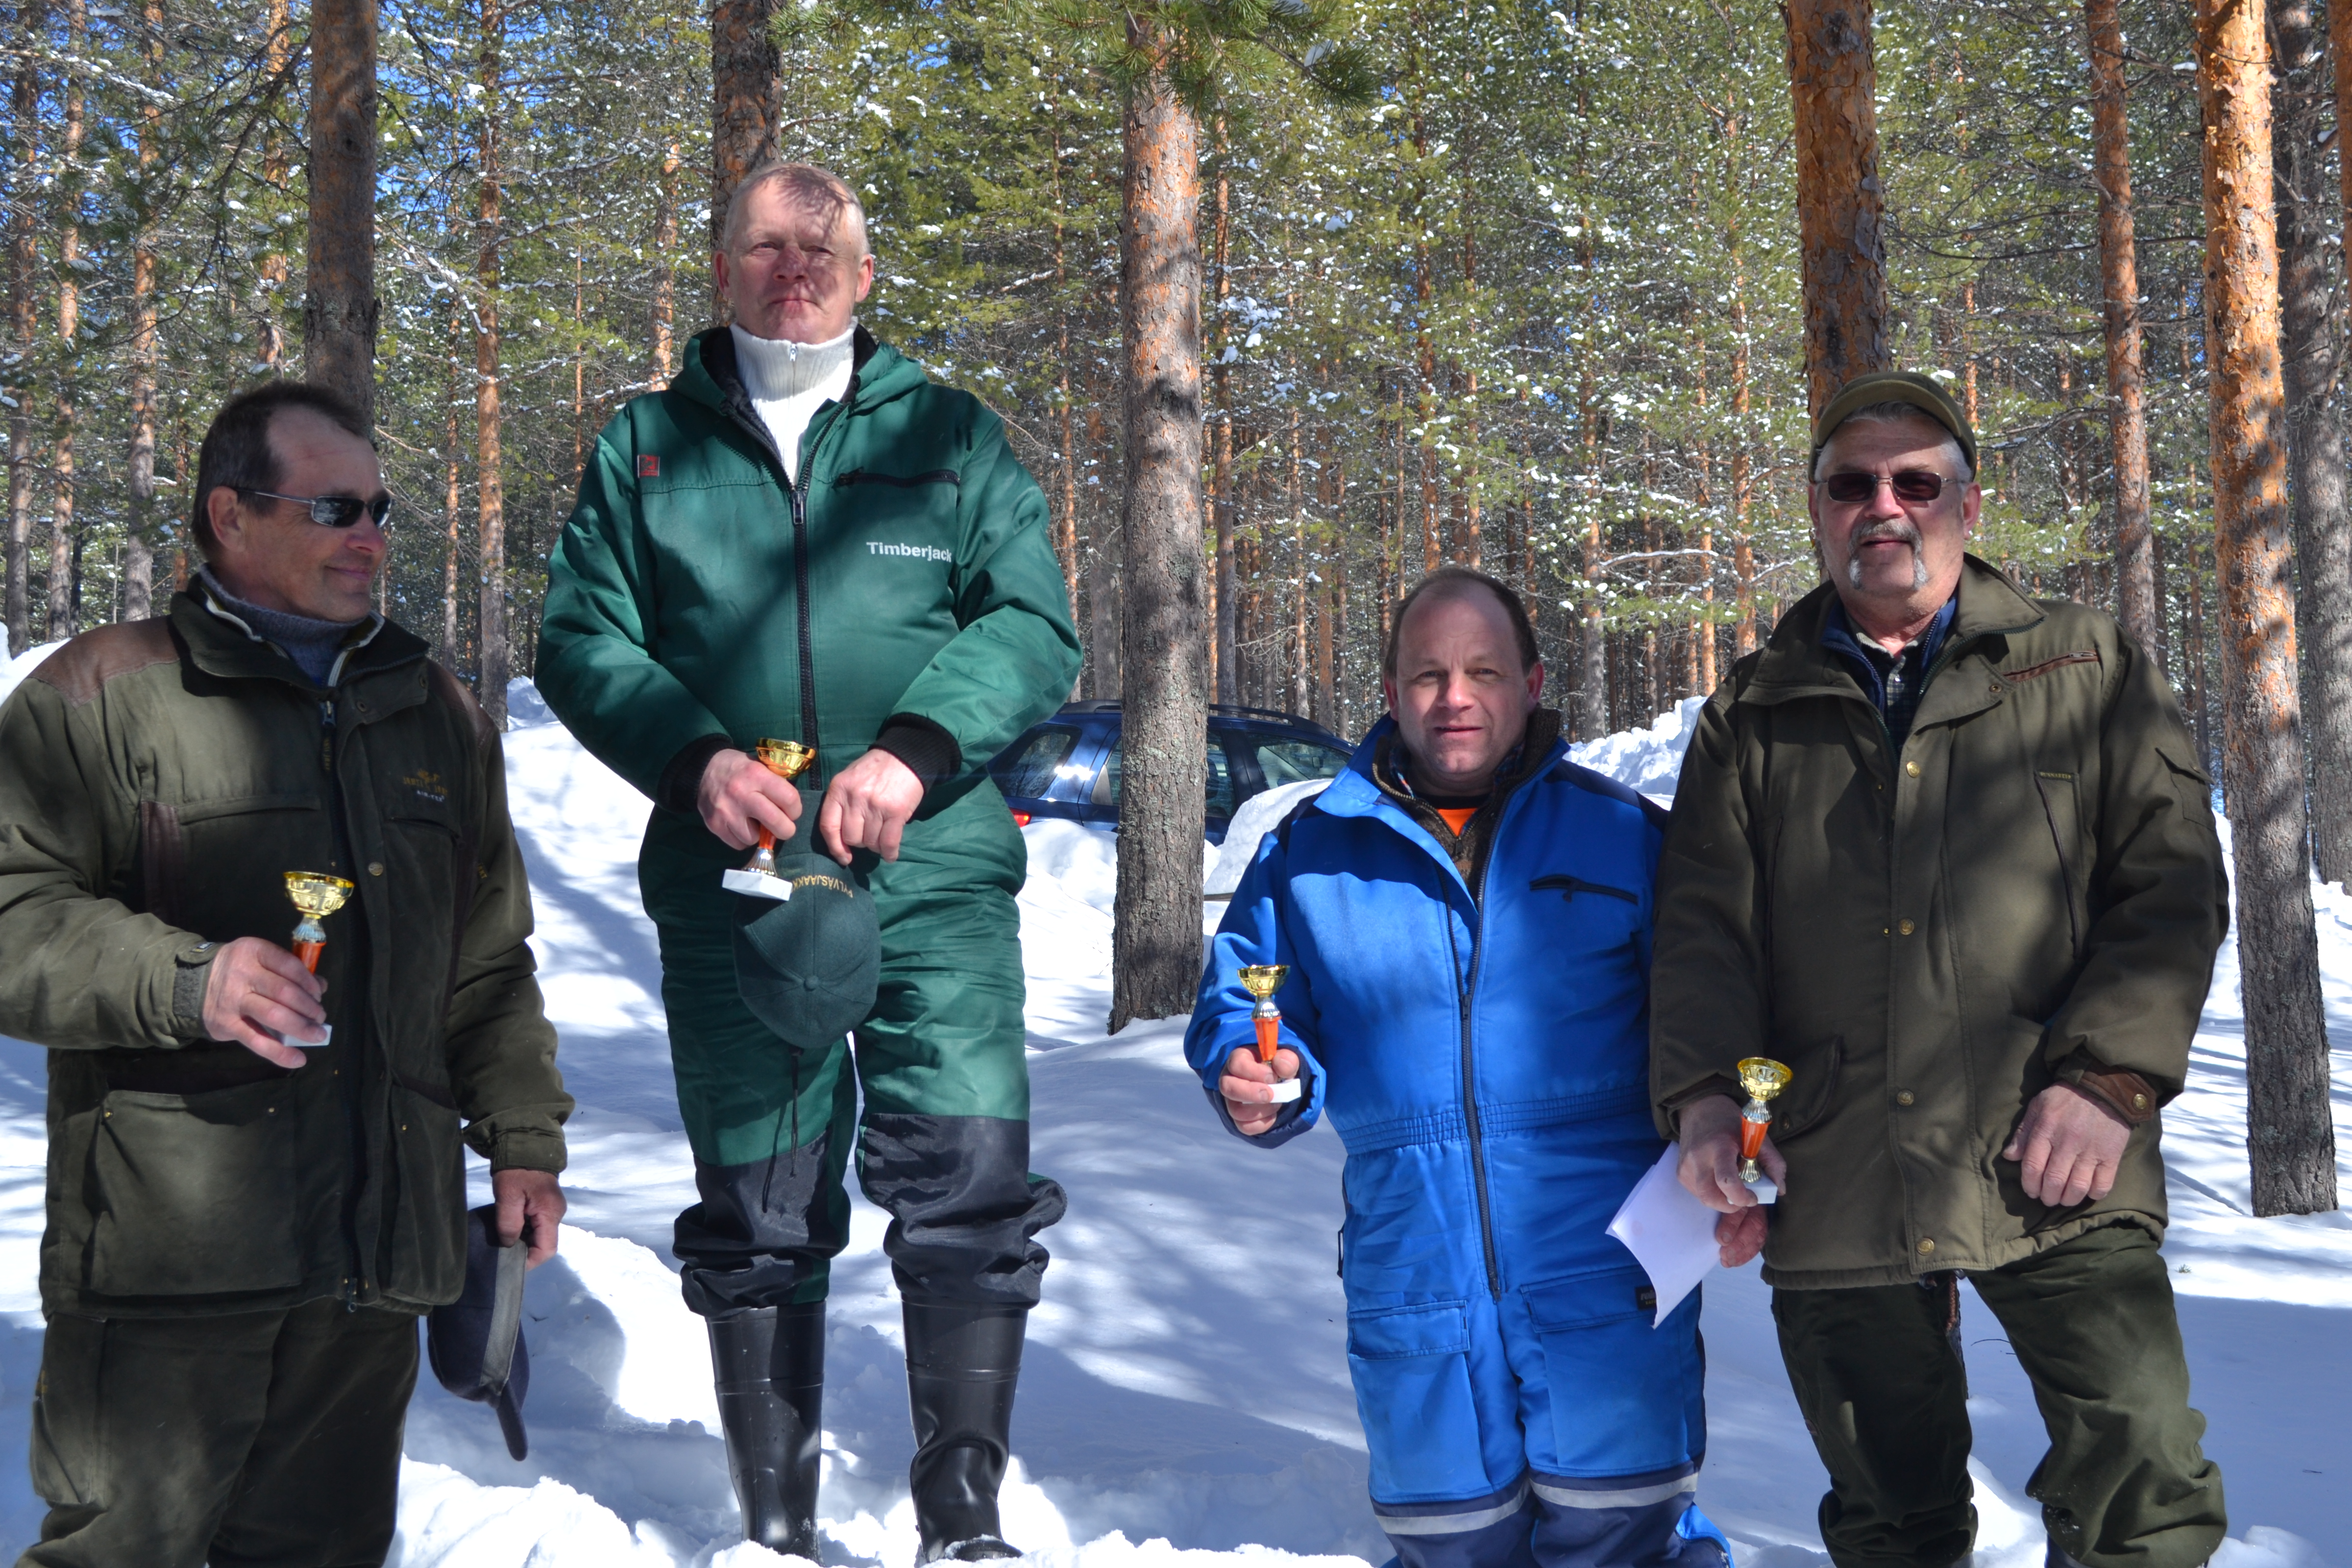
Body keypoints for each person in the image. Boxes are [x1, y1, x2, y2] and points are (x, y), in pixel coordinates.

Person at [536, 161, 1081, 1562]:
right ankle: (774, 1527)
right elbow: (582, 639)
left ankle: (959, 1511)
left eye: (823, 245)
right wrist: (692, 755)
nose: (797, 266)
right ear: (720, 268)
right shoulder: (647, 447)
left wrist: (915, 746)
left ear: (867, 272)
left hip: (933, 871)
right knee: (761, 1199)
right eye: (767, 245)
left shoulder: (952, 436)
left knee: (964, 1180)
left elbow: (1031, 623)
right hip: (737, 882)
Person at [1652, 370, 2230, 1568]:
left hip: (2055, 1151)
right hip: (1837, 1167)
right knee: (1889, 1517)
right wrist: (1707, 1101)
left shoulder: (2081, 665)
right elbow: (1705, 933)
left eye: (1916, 482)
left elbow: (2171, 886)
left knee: (2144, 1482)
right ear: (1817, 510)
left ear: (1968, 504)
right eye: (1852, 485)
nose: (1885, 507)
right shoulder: (1753, 714)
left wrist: (2111, 1077)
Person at [0, 380, 572, 1568]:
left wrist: (521, 1136)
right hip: (170, 1266)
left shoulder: (434, 711)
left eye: (379, 508)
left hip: (368, 1272)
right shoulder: (102, 694)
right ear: (231, 516)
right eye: (333, 508)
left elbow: (484, 956)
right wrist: (186, 979)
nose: (368, 535)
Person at [1186, 567, 1732, 1568]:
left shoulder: (1623, 837)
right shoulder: (1311, 853)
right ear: (1390, 693)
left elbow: (1711, 1012)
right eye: (1427, 673)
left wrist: (1724, 1124)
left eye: (1483, 670)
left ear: (1530, 682)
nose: (1455, 696)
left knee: (1630, 1538)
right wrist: (1256, 1072)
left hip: (1607, 1270)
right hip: (1415, 1270)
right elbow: (1247, 1002)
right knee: (1450, 1544)